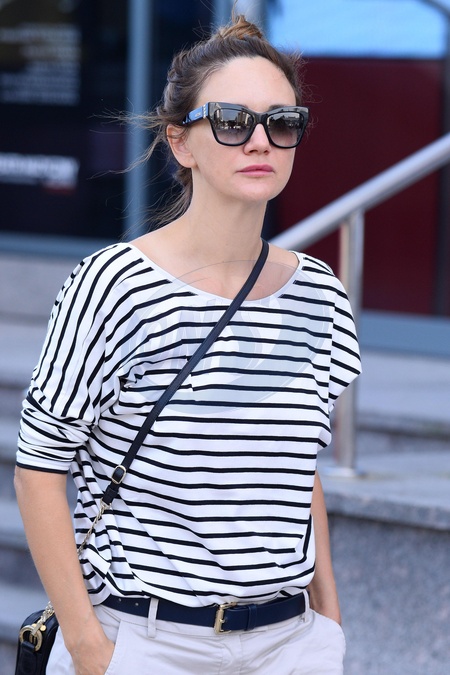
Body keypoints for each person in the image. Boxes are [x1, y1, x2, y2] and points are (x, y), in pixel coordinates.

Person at [15, 10, 361, 675]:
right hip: (147, 641)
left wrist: (329, 621)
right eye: (232, 121)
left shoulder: (320, 294)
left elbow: (298, 470)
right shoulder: (114, 285)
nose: (259, 141)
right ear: (181, 143)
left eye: (282, 122)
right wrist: (90, 649)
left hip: (291, 644)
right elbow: (38, 470)